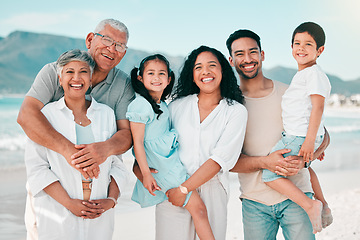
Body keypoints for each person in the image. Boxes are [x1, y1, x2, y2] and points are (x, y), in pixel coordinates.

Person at [17, 19, 134, 239]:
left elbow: (126, 135)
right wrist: (73, 153)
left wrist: (105, 149)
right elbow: (26, 116)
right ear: (90, 39)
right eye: (107, 40)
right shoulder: (56, 71)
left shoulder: (121, 87)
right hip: (53, 192)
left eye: (119, 46)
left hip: (95, 197)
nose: (112, 49)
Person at [227, 29, 331, 239]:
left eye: (253, 52)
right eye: (239, 54)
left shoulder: (289, 92)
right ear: (231, 60)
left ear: (262, 54)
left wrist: (306, 158)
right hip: (254, 202)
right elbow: (227, 162)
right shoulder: (230, 106)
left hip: (298, 196)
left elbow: (323, 131)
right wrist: (266, 163)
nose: (247, 59)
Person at [155, 46, 247, 240]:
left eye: (212, 65)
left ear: (223, 70)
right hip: (173, 186)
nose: (205, 71)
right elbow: (159, 147)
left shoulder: (235, 111)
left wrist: (185, 189)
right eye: (198, 67)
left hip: (212, 189)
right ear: (192, 74)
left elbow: (220, 159)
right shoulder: (176, 107)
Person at [127, 54, 215, 239]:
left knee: (199, 211)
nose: (156, 77)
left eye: (161, 73)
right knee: (199, 210)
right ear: (140, 78)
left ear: (169, 79)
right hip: (163, 168)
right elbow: (138, 143)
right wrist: (146, 174)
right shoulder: (140, 105)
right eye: (150, 73)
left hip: (169, 162)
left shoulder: (162, 104)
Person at [261, 22, 333, 234]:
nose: (300, 48)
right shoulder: (304, 75)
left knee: (270, 175)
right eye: (297, 43)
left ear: (319, 50)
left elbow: (318, 107)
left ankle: (312, 205)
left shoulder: (313, 74)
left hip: (299, 136)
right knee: (305, 168)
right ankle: (324, 205)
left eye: (308, 44)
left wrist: (310, 141)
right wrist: (315, 139)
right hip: (302, 135)